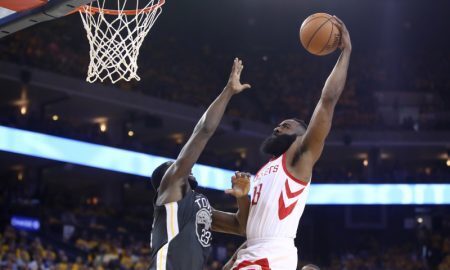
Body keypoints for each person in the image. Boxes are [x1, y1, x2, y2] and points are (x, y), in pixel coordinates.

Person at [228, 16, 352, 270]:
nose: (277, 128)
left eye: (286, 125)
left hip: (272, 255)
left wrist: (346, 52)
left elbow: (327, 100)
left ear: (302, 135)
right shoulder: (265, 170)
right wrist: (242, 198)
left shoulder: (299, 157)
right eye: (278, 125)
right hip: (250, 251)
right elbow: (245, 227)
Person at [149, 58, 252, 270]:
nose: (185, 166)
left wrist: (242, 199)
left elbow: (240, 226)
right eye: (175, 165)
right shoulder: (171, 190)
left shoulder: (197, 204)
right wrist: (228, 91)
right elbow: (203, 131)